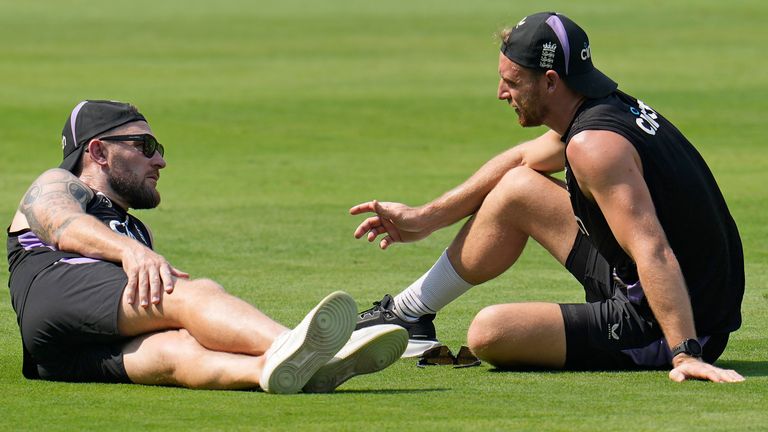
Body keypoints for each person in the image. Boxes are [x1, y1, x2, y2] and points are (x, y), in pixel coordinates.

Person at [351, 12, 745, 382]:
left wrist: (686, 353)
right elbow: (522, 158)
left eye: (513, 81)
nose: (501, 93)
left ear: (551, 81)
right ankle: (407, 314)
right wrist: (424, 219)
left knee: (490, 331)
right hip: (657, 287)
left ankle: (682, 349)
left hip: (670, 322)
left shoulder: (595, 147)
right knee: (518, 187)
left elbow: (652, 249)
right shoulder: (600, 111)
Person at [6, 100, 408, 393]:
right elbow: (59, 222)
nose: (159, 161)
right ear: (98, 152)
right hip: (55, 286)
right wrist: (131, 252)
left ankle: (275, 369)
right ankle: (304, 347)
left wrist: (136, 248)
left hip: (54, 353)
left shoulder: (136, 230)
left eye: (160, 150)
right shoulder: (62, 184)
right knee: (192, 294)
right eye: (145, 147)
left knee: (175, 351)